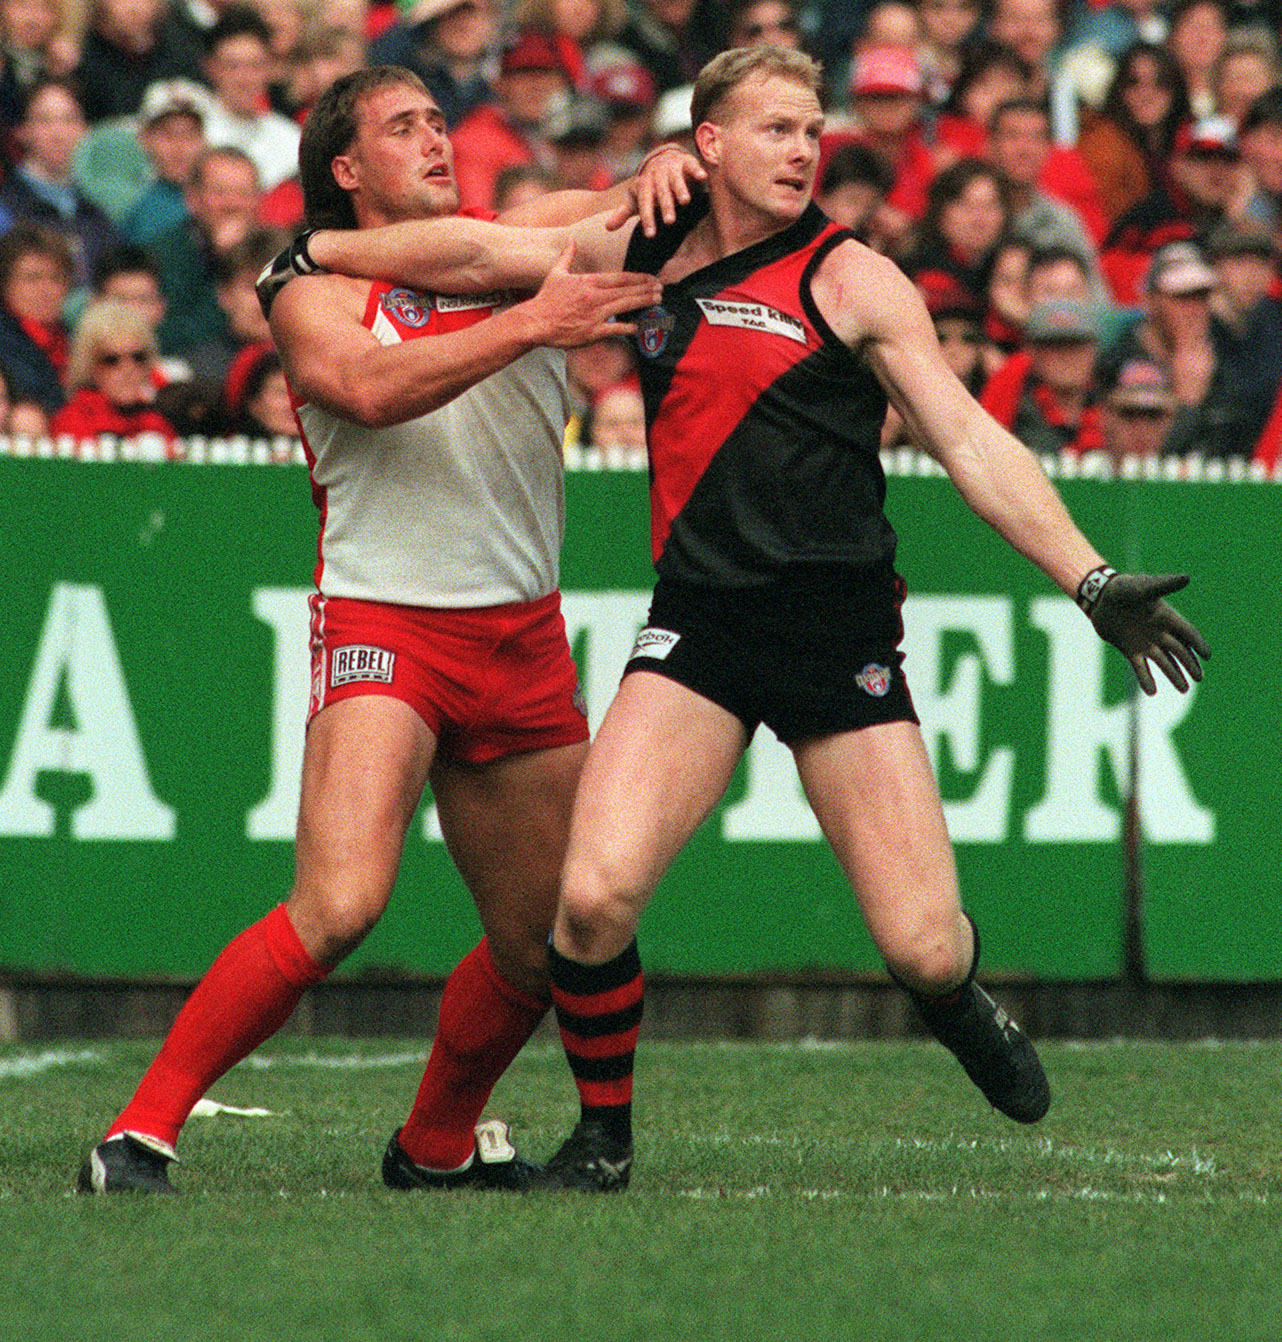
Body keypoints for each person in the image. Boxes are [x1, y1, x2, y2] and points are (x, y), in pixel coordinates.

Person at [247, 48, 1210, 1195]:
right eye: (777, 129)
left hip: (837, 638)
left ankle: (956, 995)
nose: (805, 149)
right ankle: (604, 1142)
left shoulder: (854, 280)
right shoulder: (642, 244)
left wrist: (1090, 580)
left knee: (921, 942)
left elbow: (969, 441)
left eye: (812, 129)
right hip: (697, 629)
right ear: (709, 144)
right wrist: (316, 253)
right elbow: (478, 249)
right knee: (589, 901)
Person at [75, 62, 677, 1195]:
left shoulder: (510, 234)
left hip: (520, 632)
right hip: (386, 623)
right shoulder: (306, 287)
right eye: (405, 128)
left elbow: (632, 207)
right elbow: (364, 387)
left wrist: (668, 168)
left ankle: (434, 1143)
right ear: (345, 169)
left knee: (545, 942)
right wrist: (533, 324)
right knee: (341, 903)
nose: (439, 141)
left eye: (443, 121)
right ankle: (141, 1129)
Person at [47, 297, 180, 450]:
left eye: (138, 357)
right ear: (90, 366)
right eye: (112, 359)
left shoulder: (157, 421)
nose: (128, 368)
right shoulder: (71, 422)